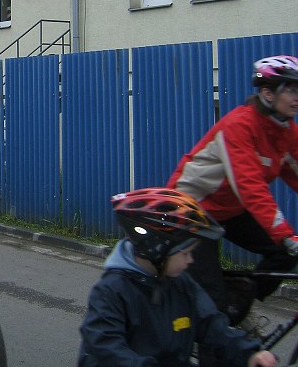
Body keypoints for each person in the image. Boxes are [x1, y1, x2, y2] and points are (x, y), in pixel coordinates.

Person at [78, 187, 276, 367]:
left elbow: (212, 325)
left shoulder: (182, 283)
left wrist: (248, 353)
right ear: (158, 250)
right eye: (185, 253)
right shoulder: (111, 291)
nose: (190, 261)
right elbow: (105, 347)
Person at [166, 55, 298, 321]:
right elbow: (249, 186)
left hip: (229, 210)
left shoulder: (286, 130)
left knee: (282, 254)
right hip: (193, 210)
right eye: (292, 90)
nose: (297, 97)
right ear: (267, 93)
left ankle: (238, 306)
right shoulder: (239, 124)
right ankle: (216, 319)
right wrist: (285, 233)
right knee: (213, 303)